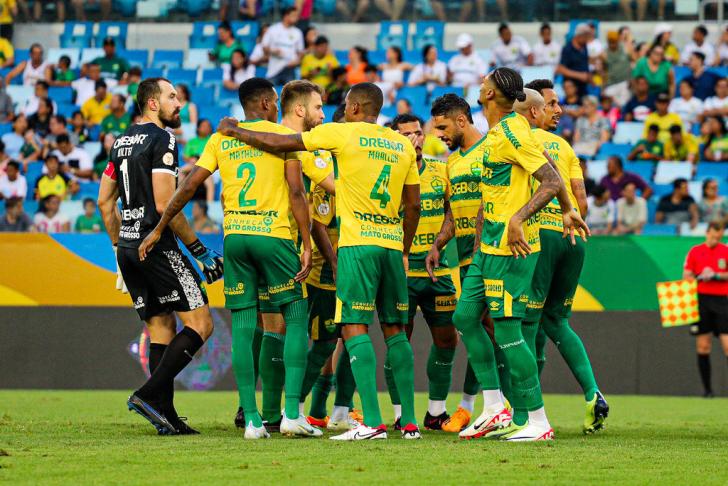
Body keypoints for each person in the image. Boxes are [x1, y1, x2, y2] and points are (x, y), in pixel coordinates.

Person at [210, 81, 422, 441]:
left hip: (277, 242)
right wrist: (403, 246)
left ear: (353, 108)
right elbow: (411, 203)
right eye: (319, 107)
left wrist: (233, 130)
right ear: (298, 109)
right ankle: (280, 412)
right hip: (322, 245)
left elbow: (304, 171)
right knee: (384, 330)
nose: (324, 114)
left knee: (283, 328)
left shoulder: (326, 139)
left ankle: (278, 413)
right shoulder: (399, 143)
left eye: (329, 108)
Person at [139, 78, 319, 440]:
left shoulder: (222, 139)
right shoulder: (281, 137)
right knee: (296, 314)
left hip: (235, 237)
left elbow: (187, 186)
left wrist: (159, 228)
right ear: (269, 103)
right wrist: (307, 242)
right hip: (274, 236)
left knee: (242, 323)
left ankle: (251, 420)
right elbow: (297, 192)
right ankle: (292, 414)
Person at [440, 68, 585, 442]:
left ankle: (537, 421)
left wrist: (520, 217)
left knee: (507, 329)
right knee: (466, 316)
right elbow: (550, 170)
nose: (480, 84)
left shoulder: (509, 133)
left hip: (511, 247)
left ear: (489, 94)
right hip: (487, 245)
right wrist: (570, 208)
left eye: (484, 81)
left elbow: (551, 180)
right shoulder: (506, 131)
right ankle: (495, 407)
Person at [97, 77, 221, 436]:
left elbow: (106, 203)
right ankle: (149, 395)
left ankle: (164, 414)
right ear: (153, 103)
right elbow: (167, 203)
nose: (178, 103)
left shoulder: (120, 143)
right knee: (201, 324)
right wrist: (198, 249)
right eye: (171, 97)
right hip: (158, 245)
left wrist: (120, 248)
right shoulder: (162, 139)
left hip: (128, 248)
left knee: (161, 327)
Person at [517, 81, 606, 433]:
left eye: (557, 103)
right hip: (573, 237)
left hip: (541, 235)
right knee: (555, 321)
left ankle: (524, 412)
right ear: (535, 107)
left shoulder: (520, 141)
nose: (558, 110)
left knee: (524, 321)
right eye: (552, 104)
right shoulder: (565, 147)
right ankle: (592, 394)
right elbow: (581, 203)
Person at [425, 93, 500, 434]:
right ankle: (484, 406)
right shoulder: (453, 164)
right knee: (479, 327)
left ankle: (499, 406)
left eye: (442, 127)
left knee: (491, 327)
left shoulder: (492, 150)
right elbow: (454, 214)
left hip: (495, 255)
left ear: (462, 120)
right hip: (469, 258)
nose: (438, 134)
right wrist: (439, 243)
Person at [380, 113, 458, 431]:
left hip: (438, 271)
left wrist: (439, 241)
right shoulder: (387, 173)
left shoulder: (442, 171)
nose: (416, 139)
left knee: (447, 340)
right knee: (399, 342)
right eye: (407, 134)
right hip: (401, 272)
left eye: (419, 133)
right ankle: (401, 414)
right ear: (394, 138)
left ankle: (436, 413)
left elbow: (454, 210)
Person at [683, 222, 728, 398]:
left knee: (726, 346)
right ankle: (707, 390)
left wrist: (716, 275)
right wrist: (700, 276)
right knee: (703, 346)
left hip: (722, 301)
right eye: (713, 235)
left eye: (719, 236)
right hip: (701, 300)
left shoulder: (725, 250)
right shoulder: (695, 251)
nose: (716, 239)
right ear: (707, 233)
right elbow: (686, 276)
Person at [262, 7, 304, 85]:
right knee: (270, 94)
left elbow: (300, 52)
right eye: (294, 15)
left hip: (289, 68)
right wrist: (273, 51)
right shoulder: (273, 29)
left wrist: (297, 61)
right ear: (286, 16)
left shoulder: (298, 32)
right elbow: (264, 47)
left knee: (291, 94)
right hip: (274, 68)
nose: (296, 18)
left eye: (297, 16)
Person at [556, 23, 590, 98]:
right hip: (572, 88)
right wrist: (579, 75)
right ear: (579, 35)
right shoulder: (568, 49)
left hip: (583, 87)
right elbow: (561, 69)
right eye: (586, 36)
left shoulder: (584, 47)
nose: (587, 39)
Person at [602, 30, 632, 107]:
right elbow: (604, 71)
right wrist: (603, 87)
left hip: (625, 83)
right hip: (611, 84)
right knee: (612, 106)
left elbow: (634, 60)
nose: (612, 44)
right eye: (610, 42)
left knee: (624, 105)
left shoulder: (625, 48)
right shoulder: (604, 53)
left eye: (614, 42)